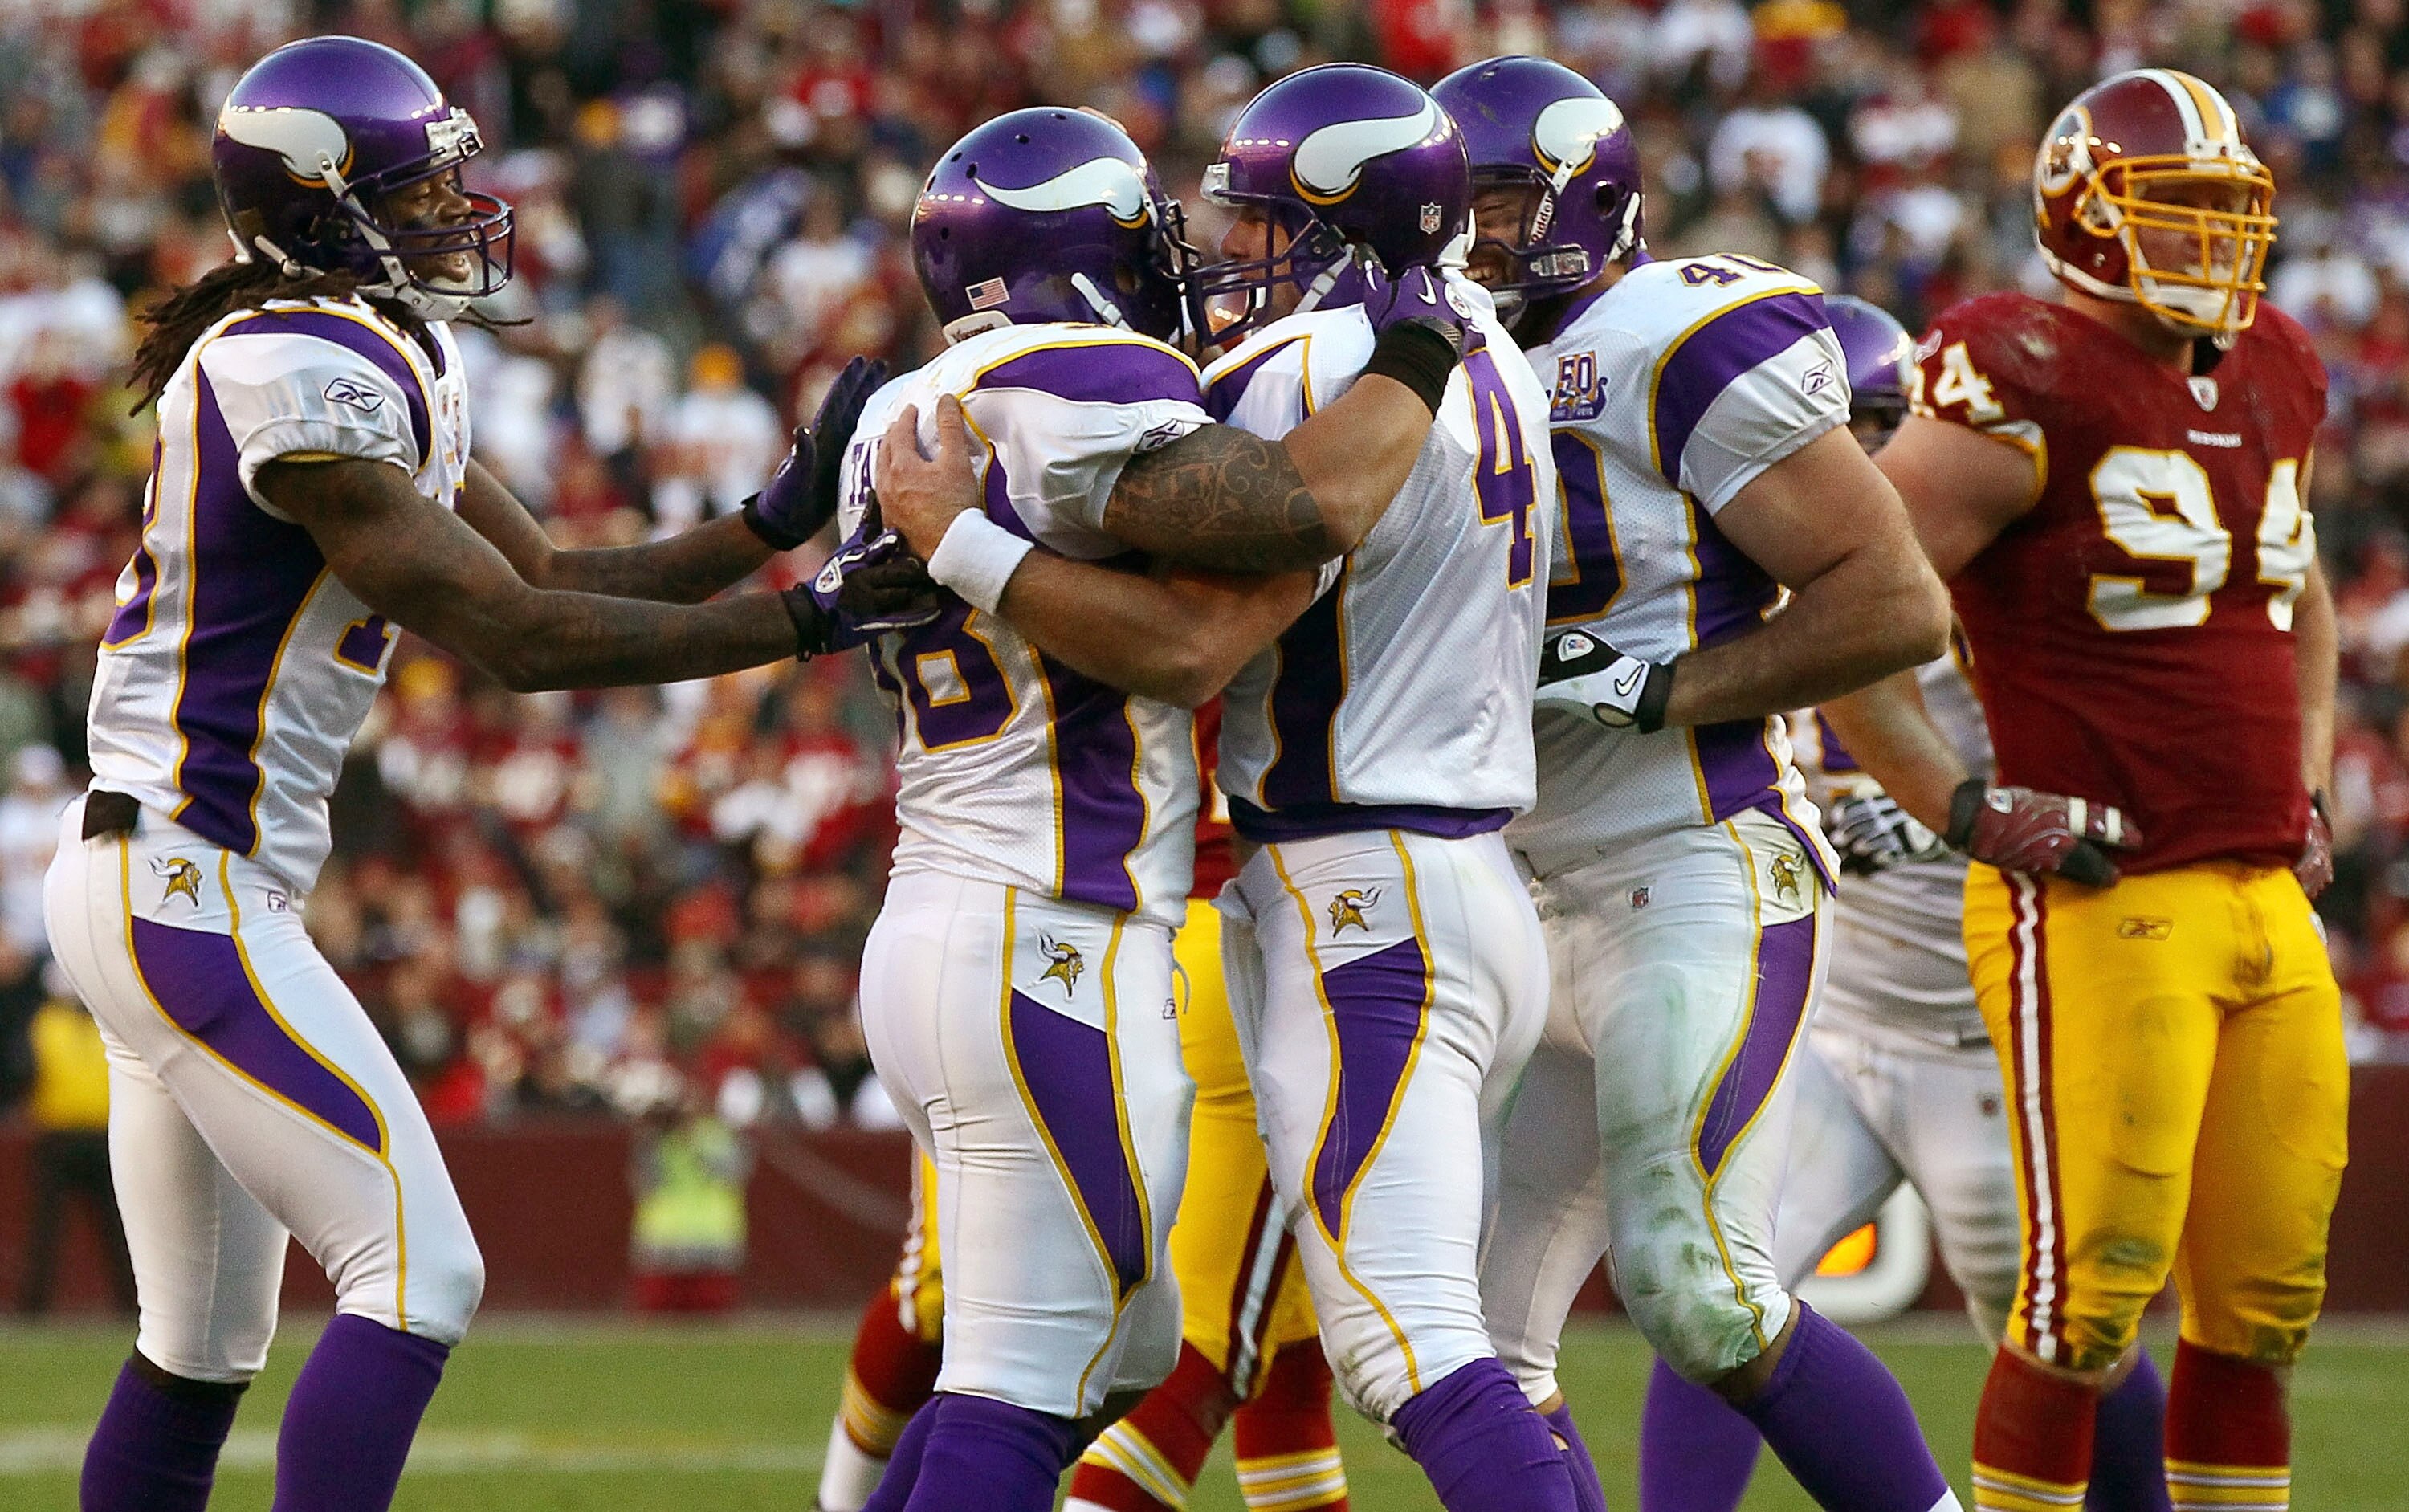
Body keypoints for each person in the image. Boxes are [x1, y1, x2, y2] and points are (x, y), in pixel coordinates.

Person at [42, 35, 934, 1512]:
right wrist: (807, 619)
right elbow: (516, 636)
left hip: (175, 877)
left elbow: (563, 568)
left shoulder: (367, 353)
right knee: (417, 1269)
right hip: (185, 880)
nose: (459, 210)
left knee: (199, 1345)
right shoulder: (291, 365)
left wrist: (774, 517)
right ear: (328, 210)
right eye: (421, 187)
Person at [878, 63, 1581, 1512]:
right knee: (1399, 1342)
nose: (1221, 255)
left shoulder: (1309, 372)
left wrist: (967, 542)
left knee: (1409, 1344)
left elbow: (1203, 633)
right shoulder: (1493, 353)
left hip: (1362, 893)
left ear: (1344, 225)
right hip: (1460, 880)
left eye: (1257, 224)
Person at [1805, 69, 2342, 1512]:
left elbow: (2303, 596)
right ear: (2083, 220)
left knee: (2264, 1307)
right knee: (2083, 1304)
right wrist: (1960, 805)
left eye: (2230, 213)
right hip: (2105, 897)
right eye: (2178, 213)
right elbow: (1852, 605)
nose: (2214, 245)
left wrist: (2307, 779)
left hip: (2261, 891)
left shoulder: (2279, 361)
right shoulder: (2014, 365)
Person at [1431, 55, 1958, 1512]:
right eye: (1443, 204)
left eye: (1490, 202)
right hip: (1516, 893)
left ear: (1579, 204)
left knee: (1700, 1290)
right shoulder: (1423, 363)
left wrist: (1667, 684)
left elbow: (1894, 603)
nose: (1461, 234)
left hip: (1694, 857)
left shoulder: (1673, 336)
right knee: (1467, 1341)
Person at [1629, 296, 2173, 1512]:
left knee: (2060, 1333)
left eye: (1875, 432)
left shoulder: (1975, 598)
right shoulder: (1731, 584)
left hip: (1980, 1042)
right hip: (1839, 1021)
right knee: (1709, 1288)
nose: (1851, 466)